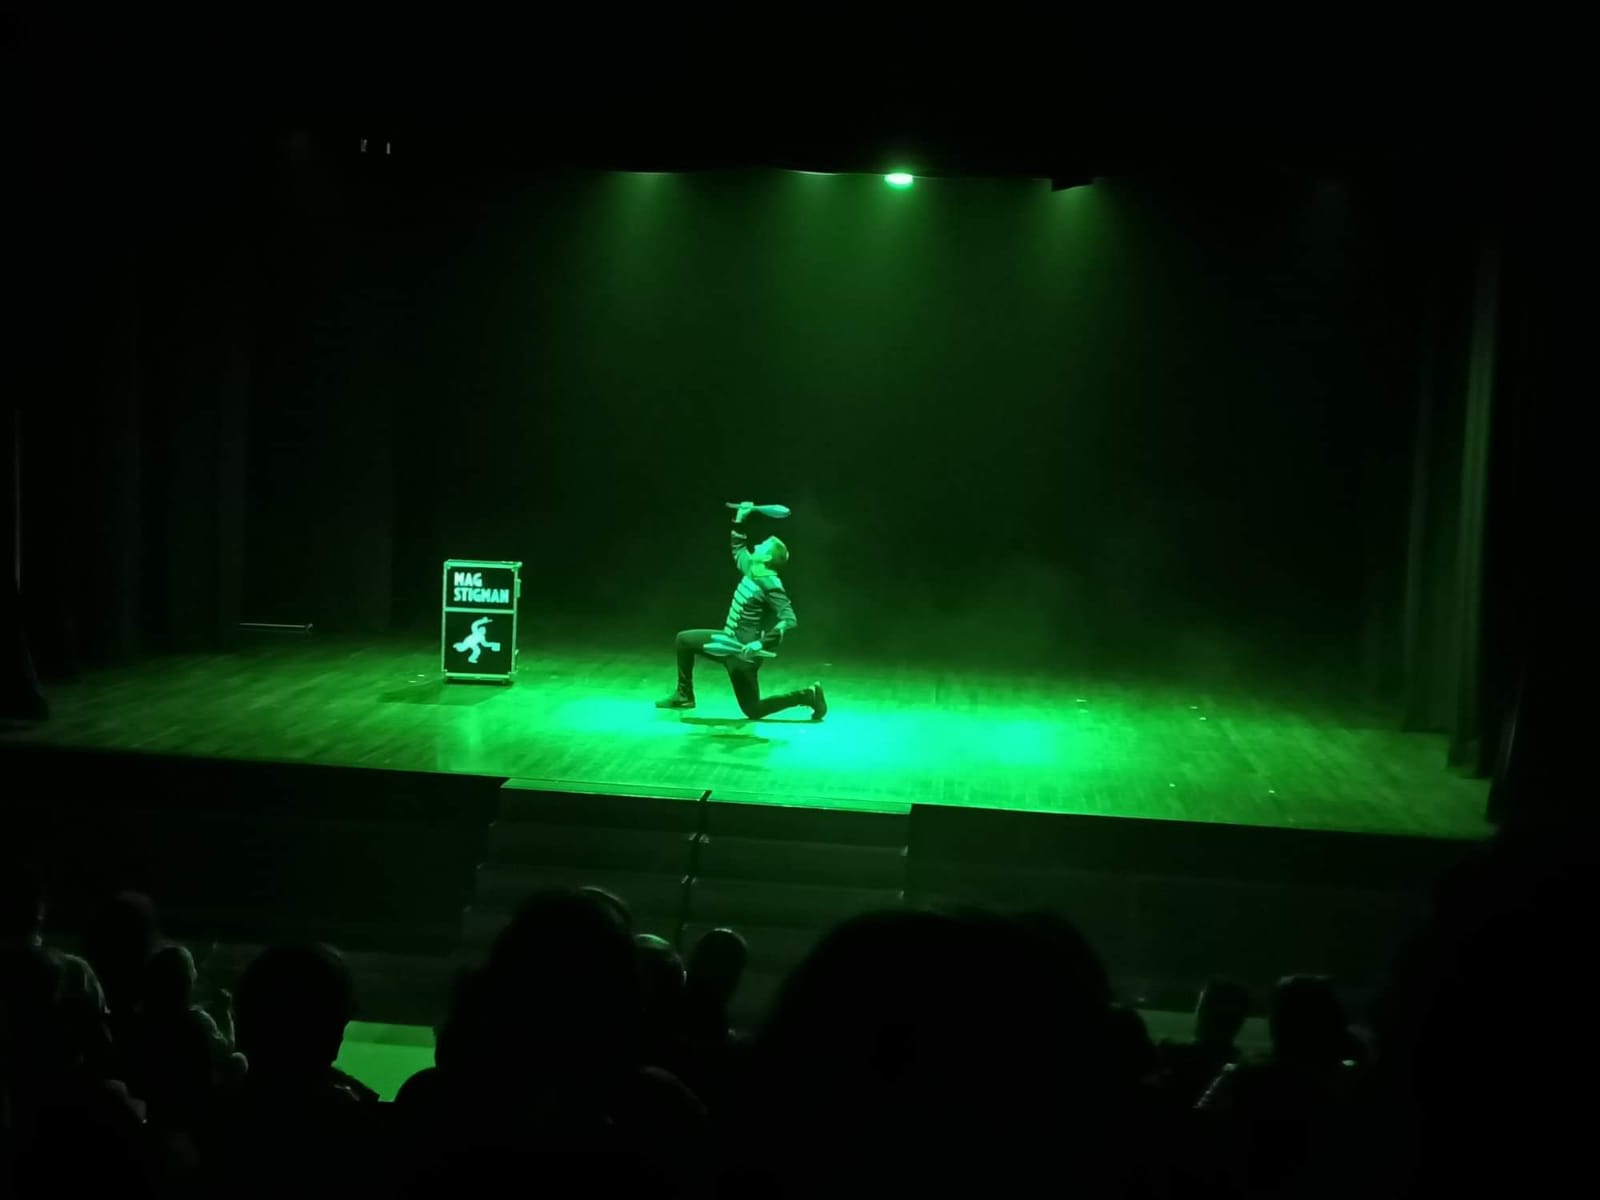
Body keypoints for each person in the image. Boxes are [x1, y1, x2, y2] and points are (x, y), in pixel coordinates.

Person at [656, 501, 826, 720]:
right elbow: (738, 549)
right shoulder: (753, 568)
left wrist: (760, 644)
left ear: (767, 558)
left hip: (743, 653)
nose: (759, 544)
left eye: (764, 545)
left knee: (753, 709)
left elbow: (789, 619)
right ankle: (684, 694)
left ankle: (808, 695)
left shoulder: (771, 584)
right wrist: (740, 518)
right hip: (728, 641)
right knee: (684, 641)